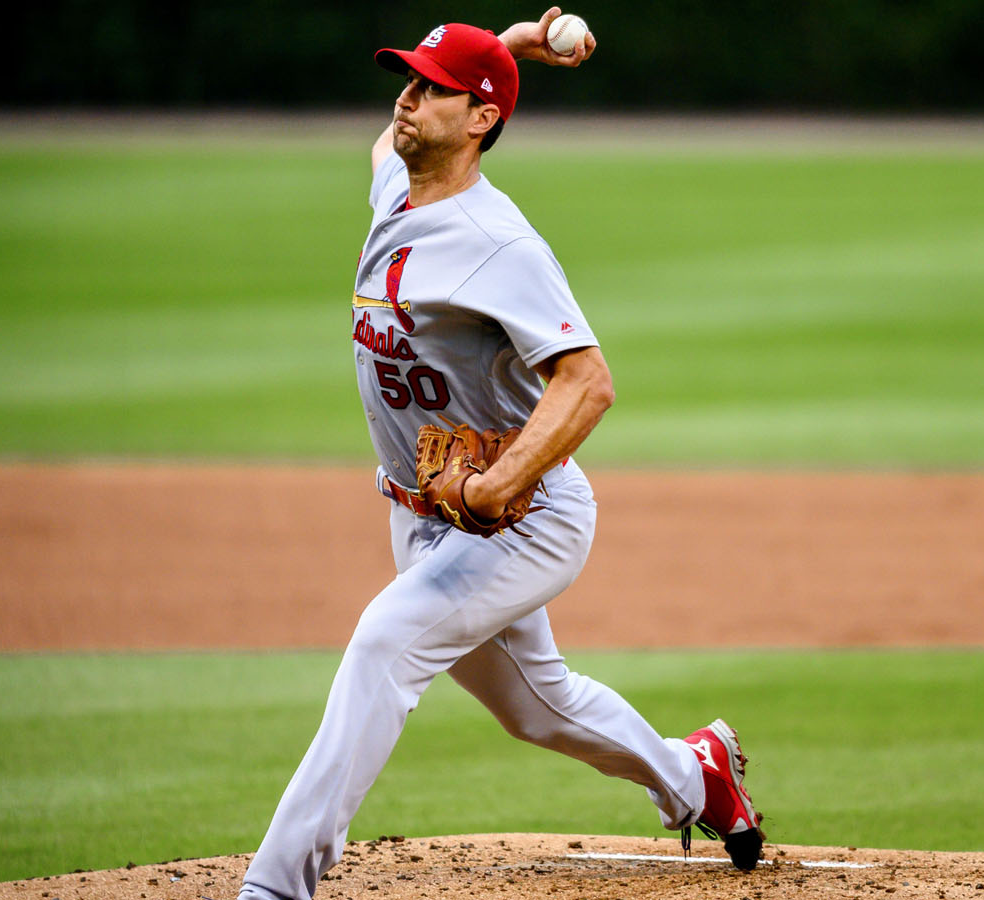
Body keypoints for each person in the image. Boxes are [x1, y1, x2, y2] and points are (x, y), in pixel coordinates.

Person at [237, 11, 762, 900]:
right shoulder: (399, 195)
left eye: (430, 87)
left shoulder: (498, 242)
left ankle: (276, 886)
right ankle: (694, 774)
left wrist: (497, 485)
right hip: (425, 517)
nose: (405, 100)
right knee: (537, 707)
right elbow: (384, 148)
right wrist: (506, 52)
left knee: (382, 644)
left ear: (481, 118)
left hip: (527, 518)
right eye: (404, 81)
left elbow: (587, 382)